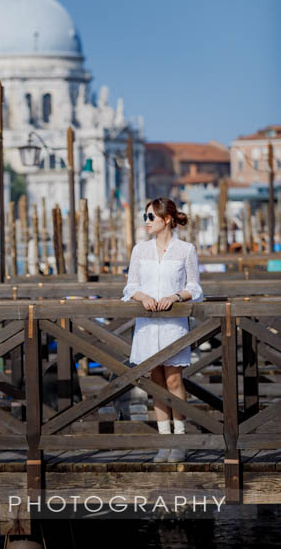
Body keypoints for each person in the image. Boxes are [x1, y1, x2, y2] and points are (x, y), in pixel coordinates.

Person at [122, 197, 203, 463]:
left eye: (150, 217)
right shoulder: (139, 250)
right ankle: (163, 442)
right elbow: (130, 286)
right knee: (155, 383)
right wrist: (141, 297)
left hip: (172, 325)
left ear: (166, 219)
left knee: (173, 380)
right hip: (147, 325)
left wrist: (177, 296)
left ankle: (179, 440)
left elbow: (196, 288)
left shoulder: (186, 250)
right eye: (145, 217)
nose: (146, 222)